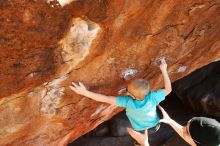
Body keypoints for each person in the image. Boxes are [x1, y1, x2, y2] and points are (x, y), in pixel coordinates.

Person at [59, 58, 172, 146]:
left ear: (130, 95)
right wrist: (164, 70)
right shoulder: (153, 96)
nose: (126, 90)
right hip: (156, 126)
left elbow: (105, 98)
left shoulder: (127, 102)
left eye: (127, 90)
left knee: (138, 140)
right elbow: (168, 89)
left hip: (141, 131)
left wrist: (84, 93)